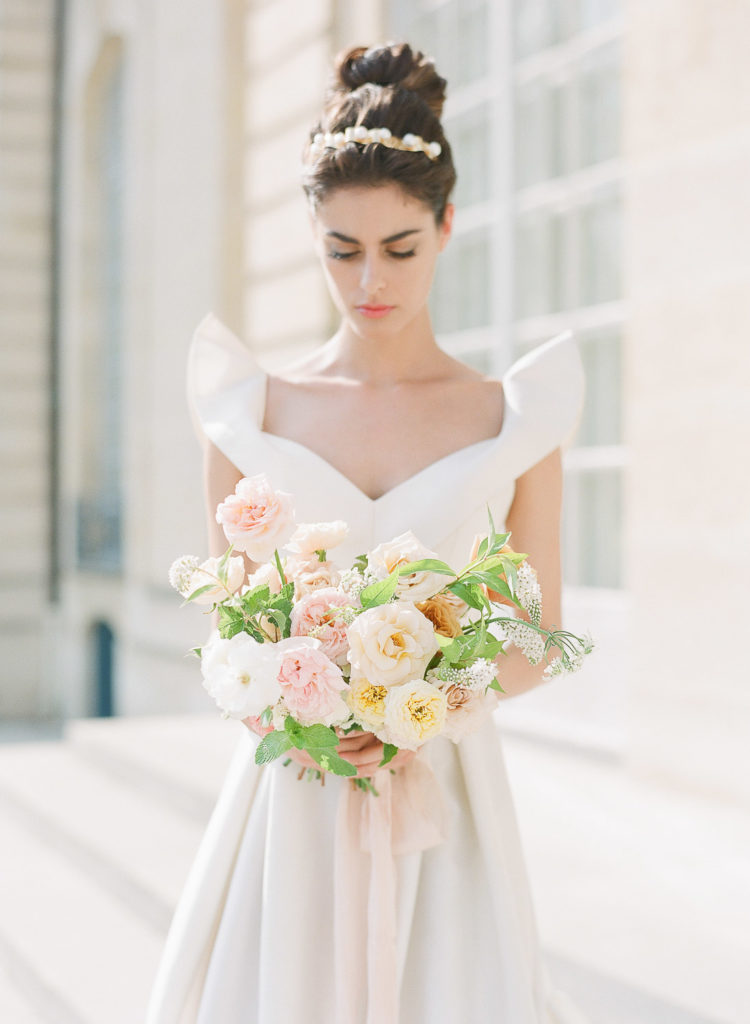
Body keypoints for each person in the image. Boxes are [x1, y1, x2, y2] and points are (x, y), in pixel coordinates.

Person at [147, 41, 586, 1024]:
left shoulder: (508, 417)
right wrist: (310, 706)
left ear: (447, 227)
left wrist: (417, 700)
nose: (369, 281)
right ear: (312, 233)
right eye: (342, 250)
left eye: (399, 249)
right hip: (296, 794)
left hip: (449, 797)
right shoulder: (247, 409)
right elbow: (233, 636)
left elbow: (540, 633)